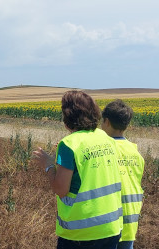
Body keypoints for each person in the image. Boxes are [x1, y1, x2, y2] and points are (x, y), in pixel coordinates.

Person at [32, 90, 123, 249]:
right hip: (111, 227)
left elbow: (61, 189)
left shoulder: (68, 144)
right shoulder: (106, 138)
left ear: (67, 117)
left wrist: (48, 165)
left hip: (81, 233)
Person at [100, 99, 144, 249]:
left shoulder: (104, 150)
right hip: (130, 222)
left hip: (109, 223)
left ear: (106, 121)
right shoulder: (135, 152)